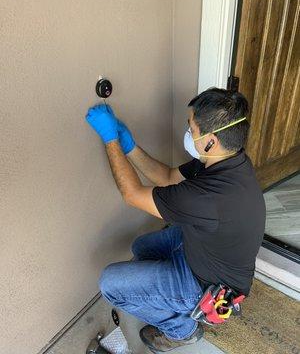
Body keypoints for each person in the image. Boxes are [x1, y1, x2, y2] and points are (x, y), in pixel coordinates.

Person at [85, 87, 266, 352]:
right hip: (206, 252)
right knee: (141, 248)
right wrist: (130, 146)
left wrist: (110, 140)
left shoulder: (210, 196)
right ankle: (168, 297)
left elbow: (132, 195)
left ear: (211, 140)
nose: (188, 133)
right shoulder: (227, 160)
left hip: (207, 287)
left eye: (191, 128)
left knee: (110, 284)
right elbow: (168, 177)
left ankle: (183, 330)